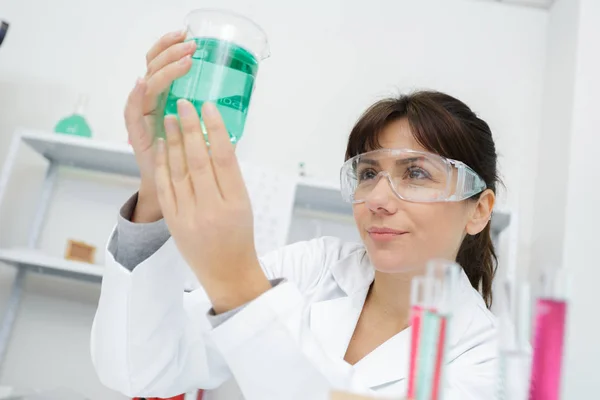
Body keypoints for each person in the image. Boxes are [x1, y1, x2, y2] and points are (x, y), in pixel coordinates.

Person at [91, 30, 500, 400]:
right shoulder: (313, 268)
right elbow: (141, 369)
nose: (378, 198)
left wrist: (236, 280)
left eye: (415, 173)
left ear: (478, 210)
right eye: (368, 172)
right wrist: (156, 191)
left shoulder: (486, 358)